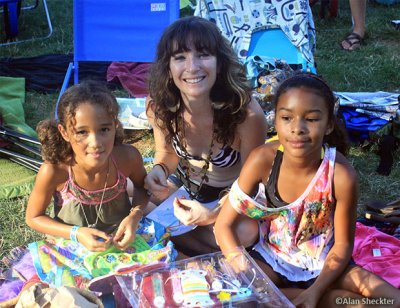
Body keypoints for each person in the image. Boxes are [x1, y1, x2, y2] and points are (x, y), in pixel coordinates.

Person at [215, 73, 400, 306]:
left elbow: (342, 245)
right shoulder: (262, 160)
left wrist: (316, 289)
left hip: (327, 265)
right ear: (276, 120)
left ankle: (317, 298)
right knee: (247, 298)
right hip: (272, 259)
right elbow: (224, 224)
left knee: (388, 298)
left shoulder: (341, 175)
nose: (297, 128)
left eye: (311, 119)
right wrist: (241, 267)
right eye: (286, 118)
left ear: (329, 124)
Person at [144, 16, 268, 255]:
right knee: (128, 195)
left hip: (229, 193)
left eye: (203, 55)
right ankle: (197, 241)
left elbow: (250, 182)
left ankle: (167, 236)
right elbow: (166, 153)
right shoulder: (157, 105)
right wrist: (158, 169)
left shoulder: (246, 114)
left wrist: (213, 214)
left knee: (247, 232)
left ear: (219, 63)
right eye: (180, 57)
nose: (192, 67)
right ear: (167, 68)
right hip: (181, 187)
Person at [26, 80, 148, 252]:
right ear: (64, 132)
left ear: (115, 125)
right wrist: (76, 233)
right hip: (72, 246)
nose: (95, 142)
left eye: (104, 130)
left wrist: (135, 216)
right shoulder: (55, 171)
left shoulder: (127, 158)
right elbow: (33, 217)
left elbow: (143, 188)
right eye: (82, 132)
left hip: (123, 242)